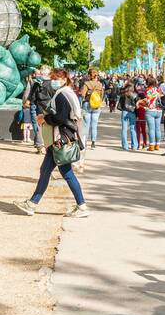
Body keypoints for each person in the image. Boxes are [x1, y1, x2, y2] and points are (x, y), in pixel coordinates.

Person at [16, 69, 89, 218]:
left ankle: (81, 206)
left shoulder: (63, 94)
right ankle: (32, 203)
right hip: (60, 139)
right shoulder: (67, 92)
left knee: (65, 172)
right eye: (52, 78)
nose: (53, 81)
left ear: (63, 79)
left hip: (59, 139)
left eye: (55, 78)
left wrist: (45, 119)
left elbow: (61, 118)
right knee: (46, 170)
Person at [23, 66, 54, 153]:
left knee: (39, 127)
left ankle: (40, 146)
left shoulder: (37, 83)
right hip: (49, 108)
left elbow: (32, 97)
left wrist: (29, 102)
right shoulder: (52, 84)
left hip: (39, 108)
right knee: (48, 127)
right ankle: (48, 146)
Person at [80, 67, 104, 147]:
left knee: (86, 124)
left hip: (87, 104)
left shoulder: (87, 83)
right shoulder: (100, 84)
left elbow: (83, 94)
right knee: (94, 125)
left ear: (89, 75)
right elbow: (102, 95)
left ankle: (85, 142)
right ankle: (93, 142)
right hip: (96, 105)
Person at [117, 78, 138, 150]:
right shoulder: (135, 95)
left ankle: (125, 145)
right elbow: (137, 105)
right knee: (133, 128)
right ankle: (134, 145)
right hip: (132, 112)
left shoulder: (123, 95)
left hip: (125, 111)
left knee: (124, 129)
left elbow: (120, 105)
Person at [144, 81, 163, 151]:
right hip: (159, 110)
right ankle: (157, 145)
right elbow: (162, 97)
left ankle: (151, 145)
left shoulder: (147, 90)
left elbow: (146, 100)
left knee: (151, 129)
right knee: (158, 128)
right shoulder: (159, 90)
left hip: (150, 110)